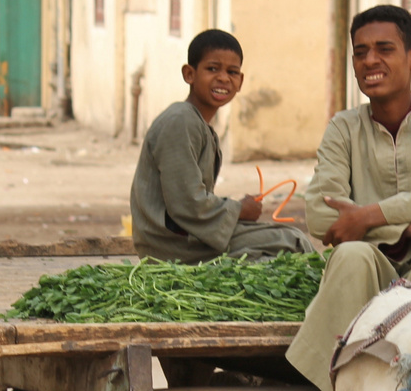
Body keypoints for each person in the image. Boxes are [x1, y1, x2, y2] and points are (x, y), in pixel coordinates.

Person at [287, 5, 411, 391]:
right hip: (373, 270)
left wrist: (369, 215)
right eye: (360, 52)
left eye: (384, 49)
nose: (370, 61)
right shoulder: (343, 128)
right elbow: (322, 213)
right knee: (350, 257)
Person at [129, 29, 315, 263]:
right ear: (189, 74)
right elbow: (187, 203)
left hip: (185, 236)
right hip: (170, 245)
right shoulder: (181, 120)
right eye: (212, 69)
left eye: (232, 72)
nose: (223, 78)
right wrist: (238, 210)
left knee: (288, 240)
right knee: (293, 243)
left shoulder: (200, 125)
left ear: (240, 81)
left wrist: (234, 212)